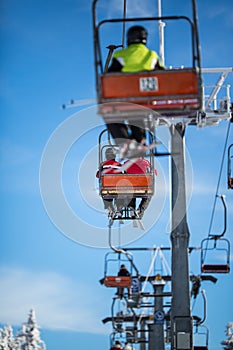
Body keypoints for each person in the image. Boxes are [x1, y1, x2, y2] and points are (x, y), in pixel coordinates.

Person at [106, 25, 164, 158]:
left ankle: (125, 141)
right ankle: (140, 139)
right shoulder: (151, 55)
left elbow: (110, 77)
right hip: (145, 99)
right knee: (139, 109)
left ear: (129, 39)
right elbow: (162, 76)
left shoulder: (121, 55)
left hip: (125, 99)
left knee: (111, 113)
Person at [96, 148, 122, 216]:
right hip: (117, 188)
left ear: (106, 156)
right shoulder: (118, 165)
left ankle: (110, 208)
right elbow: (122, 176)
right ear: (114, 156)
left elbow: (98, 175)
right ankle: (118, 209)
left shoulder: (103, 165)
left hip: (106, 187)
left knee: (105, 195)